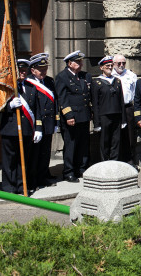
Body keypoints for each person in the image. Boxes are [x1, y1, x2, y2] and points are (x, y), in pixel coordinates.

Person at [0, 59, 43, 194]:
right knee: (10, 160)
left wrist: (38, 129)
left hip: (27, 129)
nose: (23, 73)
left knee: (23, 159)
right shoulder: (5, 88)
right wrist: (8, 107)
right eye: (20, 70)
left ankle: (20, 185)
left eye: (25, 70)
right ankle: (8, 187)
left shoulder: (31, 87)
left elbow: (37, 110)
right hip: (10, 129)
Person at [55, 50, 92, 183]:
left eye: (81, 61)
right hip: (71, 117)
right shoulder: (62, 77)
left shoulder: (84, 76)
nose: (80, 64)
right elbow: (62, 98)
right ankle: (69, 172)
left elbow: (87, 96)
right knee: (71, 145)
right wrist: (69, 115)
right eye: (77, 62)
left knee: (83, 144)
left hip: (84, 115)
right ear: (70, 63)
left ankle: (81, 168)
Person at [26, 54, 59, 188]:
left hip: (49, 122)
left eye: (45, 69)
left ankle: (43, 175)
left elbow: (55, 101)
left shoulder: (49, 81)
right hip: (35, 124)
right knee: (35, 154)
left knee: (45, 152)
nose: (43, 72)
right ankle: (33, 179)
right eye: (40, 69)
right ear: (33, 70)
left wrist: (56, 122)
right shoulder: (28, 83)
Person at [91, 56, 126, 161]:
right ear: (101, 67)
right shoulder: (96, 82)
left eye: (111, 65)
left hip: (116, 114)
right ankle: (105, 161)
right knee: (104, 141)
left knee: (116, 141)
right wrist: (96, 123)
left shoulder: (117, 81)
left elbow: (121, 102)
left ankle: (114, 160)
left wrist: (123, 119)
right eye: (107, 66)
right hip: (104, 116)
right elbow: (95, 104)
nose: (110, 67)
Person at [112, 54, 138, 167]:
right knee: (116, 136)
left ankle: (130, 160)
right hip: (115, 109)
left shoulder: (131, 75)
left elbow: (136, 93)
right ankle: (116, 160)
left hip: (128, 108)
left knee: (130, 136)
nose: (121, 65)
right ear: (113, 64)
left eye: (123, 63)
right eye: (119, 63)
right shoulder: (109, 75)